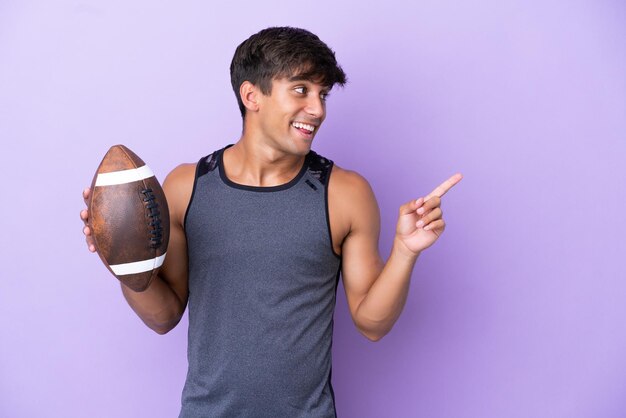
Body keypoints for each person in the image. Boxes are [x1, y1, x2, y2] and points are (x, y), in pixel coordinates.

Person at [80, 26, 462, 418]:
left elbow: (372, 324)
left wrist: (404, 252)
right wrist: (122, 258)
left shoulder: (345, 194)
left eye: (323, 94)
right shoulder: (185, 187)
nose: (318, 109)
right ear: (251, 96)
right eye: (301, 90)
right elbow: (164, 317)